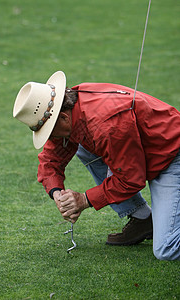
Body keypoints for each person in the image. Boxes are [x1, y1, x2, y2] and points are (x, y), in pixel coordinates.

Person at [13, 71, 180, 260]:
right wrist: (57, 193)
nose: (50, 138)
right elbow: (50, 159)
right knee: (83, 148)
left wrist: (84, 199)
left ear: (64, 119)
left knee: (166, 248)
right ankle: (143, 219)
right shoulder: (68, 108)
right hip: (143, 150)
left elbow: (131, 179)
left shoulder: (106, 126)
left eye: (49, 131)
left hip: (172, 155)